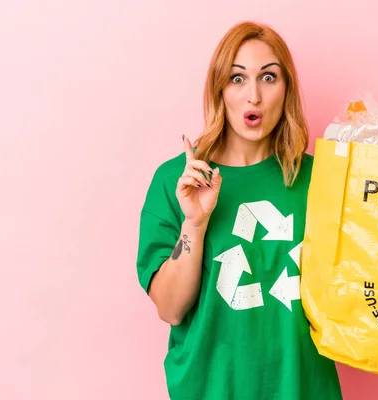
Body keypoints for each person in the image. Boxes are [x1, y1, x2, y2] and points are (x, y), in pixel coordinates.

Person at [136, 21, 343, 400]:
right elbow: (170, 309)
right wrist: (194, 224)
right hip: (210, 389)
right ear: (219, 90)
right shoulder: (176, 181)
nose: (254, 96)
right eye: (237, 79)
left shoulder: (322, 178)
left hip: (304, 388)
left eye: (268, 77)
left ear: (287, 89)